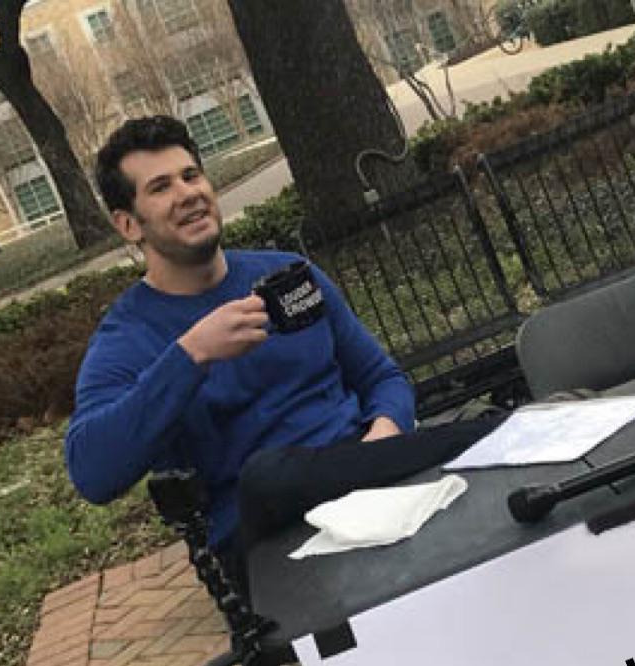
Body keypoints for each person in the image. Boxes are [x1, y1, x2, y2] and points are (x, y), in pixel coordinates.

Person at [65, 117, 490, 564]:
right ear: (129, 225)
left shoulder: (287, 275)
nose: (187, 193)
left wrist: (383, 439)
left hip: (371, 480)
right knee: (267, 476)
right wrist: (192, 355)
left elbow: (381, 377)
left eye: (191, 175)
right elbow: (93, 473)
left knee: (486, 450)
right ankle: (472, 437)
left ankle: (493, 433)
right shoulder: (127, 338)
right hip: (268, 534)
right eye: (161, 187)